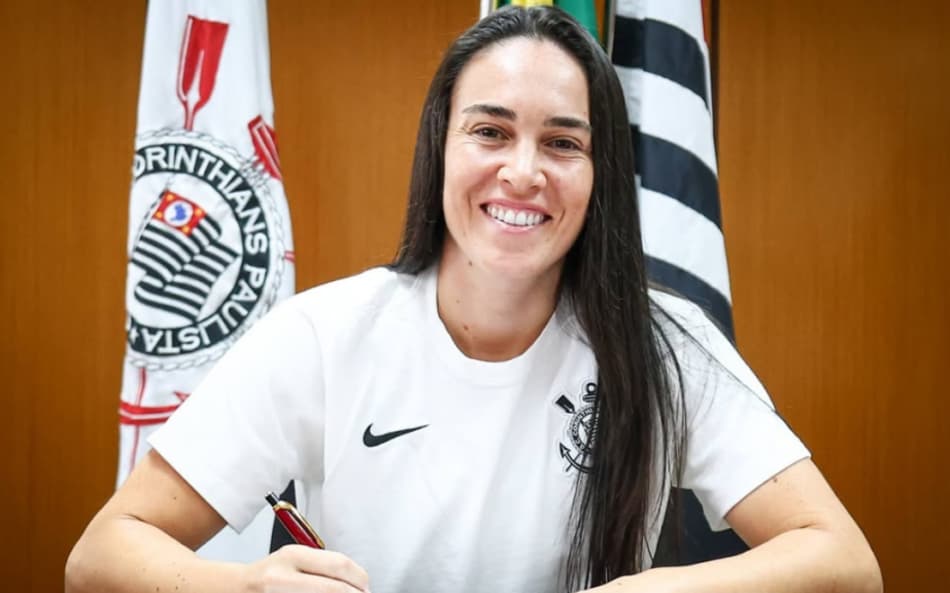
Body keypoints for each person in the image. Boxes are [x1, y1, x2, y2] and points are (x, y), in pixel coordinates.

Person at [66, 6, 882, 593]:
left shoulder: (665, 341)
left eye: (562, 142)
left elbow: (843, 558)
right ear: (440, 147)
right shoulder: (324, 333)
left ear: (599, 175)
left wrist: (657, 589)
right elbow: (102, 553)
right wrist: (245, 583)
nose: (523, 172)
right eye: (490, 131)